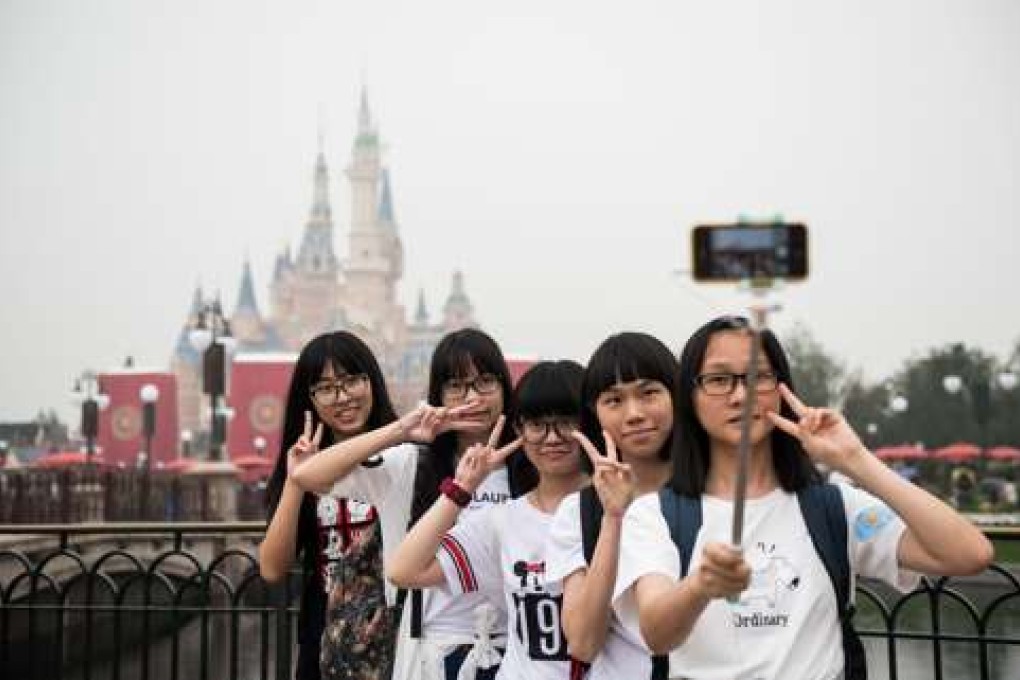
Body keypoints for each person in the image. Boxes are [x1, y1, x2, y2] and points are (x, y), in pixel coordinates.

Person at [617, 315, 995, 679]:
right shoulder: (655, 516)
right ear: (691, 397)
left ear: (782, 389)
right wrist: (700, 585)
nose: (740, 395)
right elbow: (657, 633)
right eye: (718, 379)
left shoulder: (834, 507)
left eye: (757, 377)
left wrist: (857, 460)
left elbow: (970, 554)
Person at [291, 328, 532, 680]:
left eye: (484, 382)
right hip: (429, 651)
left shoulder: (529, 467)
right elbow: (309, 475)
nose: (472, 397)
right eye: (457, 386)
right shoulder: (411, 465)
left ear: (503, 389)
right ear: (439, 395)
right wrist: (402, 429)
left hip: (516, 648)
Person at [388, 360, 606, 679]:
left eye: (566, 423)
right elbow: (403, 570)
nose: (552, 438)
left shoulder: (617, 511)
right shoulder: (504, 521)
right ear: (518, 430)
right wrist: (462, 488)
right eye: (537, 425)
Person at [259, 331, 401, 680]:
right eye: (325, 388)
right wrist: (298, 478)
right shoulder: (304, 464)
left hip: (398, 633)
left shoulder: (405, 457)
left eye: (352, 380)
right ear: (309, 399)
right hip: (326, 639)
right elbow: (273, 568)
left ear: (372, 382)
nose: (342, 397)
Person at [545, 332, 681, 678]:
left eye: (649, 393)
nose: (634, 414)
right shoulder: (578, 513)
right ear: (595, 413)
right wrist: (613, 518)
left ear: (677, 397)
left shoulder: (714, 496)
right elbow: (582, 643)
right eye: (614, 400)